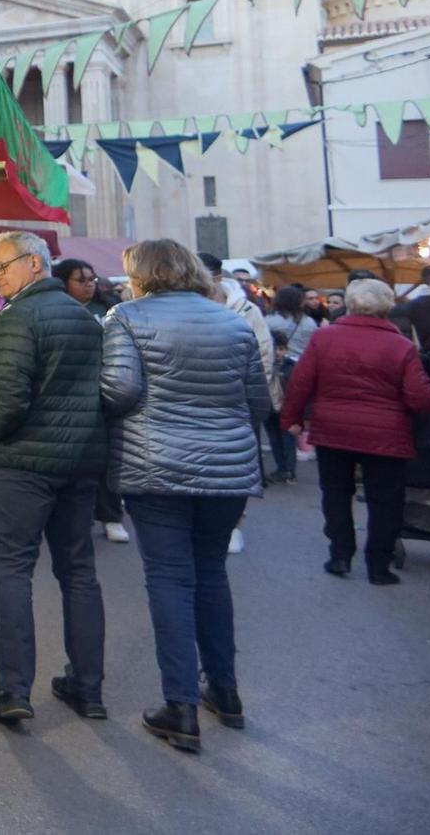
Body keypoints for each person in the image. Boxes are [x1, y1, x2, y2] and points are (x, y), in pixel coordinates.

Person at [101, 240, 270, 754]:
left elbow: (119, 391)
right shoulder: (234, 321)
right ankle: (225, 690)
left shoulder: (125, 317)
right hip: (228, 471)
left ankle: (180, 707)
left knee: (170, 579)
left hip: (157, 468)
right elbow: (260, 402)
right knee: (212, 573)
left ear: (142, 275)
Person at [0, 231, 108, 726]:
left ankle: (12, 689)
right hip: (78, 465)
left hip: (24, 466)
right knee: (78, 572)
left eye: (1, 266)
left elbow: (5, 399)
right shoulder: (87, 319)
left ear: (33, 264)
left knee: (12, 569)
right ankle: (88, 688)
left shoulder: (18, 318)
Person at [281, 278, 430, 584]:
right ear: (386, 307)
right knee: (385, 499)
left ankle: (340, 555)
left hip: (333, 429)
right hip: (386, 433)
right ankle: (378, 567)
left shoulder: (324, 339)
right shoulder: (402, 346)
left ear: (350, 304)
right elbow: (419, 397)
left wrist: (292, 418)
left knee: (337, 493)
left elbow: (300, 382)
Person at [52, 258, 128, 544]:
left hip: (104, 396)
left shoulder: (108, 310)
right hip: (64, 398)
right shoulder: (53, 311)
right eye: (81, 279)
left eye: (92, 279)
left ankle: (111, 516)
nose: (88, 285)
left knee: (106, 461)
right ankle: (70, 518)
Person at [202, 253, 274, 554]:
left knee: (237, 467)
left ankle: (234, 524)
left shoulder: (245, 309)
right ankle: (206, 521)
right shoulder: (184, 306)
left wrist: (252, 397)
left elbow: (264, 354)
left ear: (218, 277)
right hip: (197, 402)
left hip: (237, 403)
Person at [263, 285, 317, 483]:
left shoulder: (268, 321)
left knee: (272, 421)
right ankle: (290, 467)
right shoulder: (309, 322)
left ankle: (282, 467)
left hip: (275, 372)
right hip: (299, 373)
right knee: (290, 421)